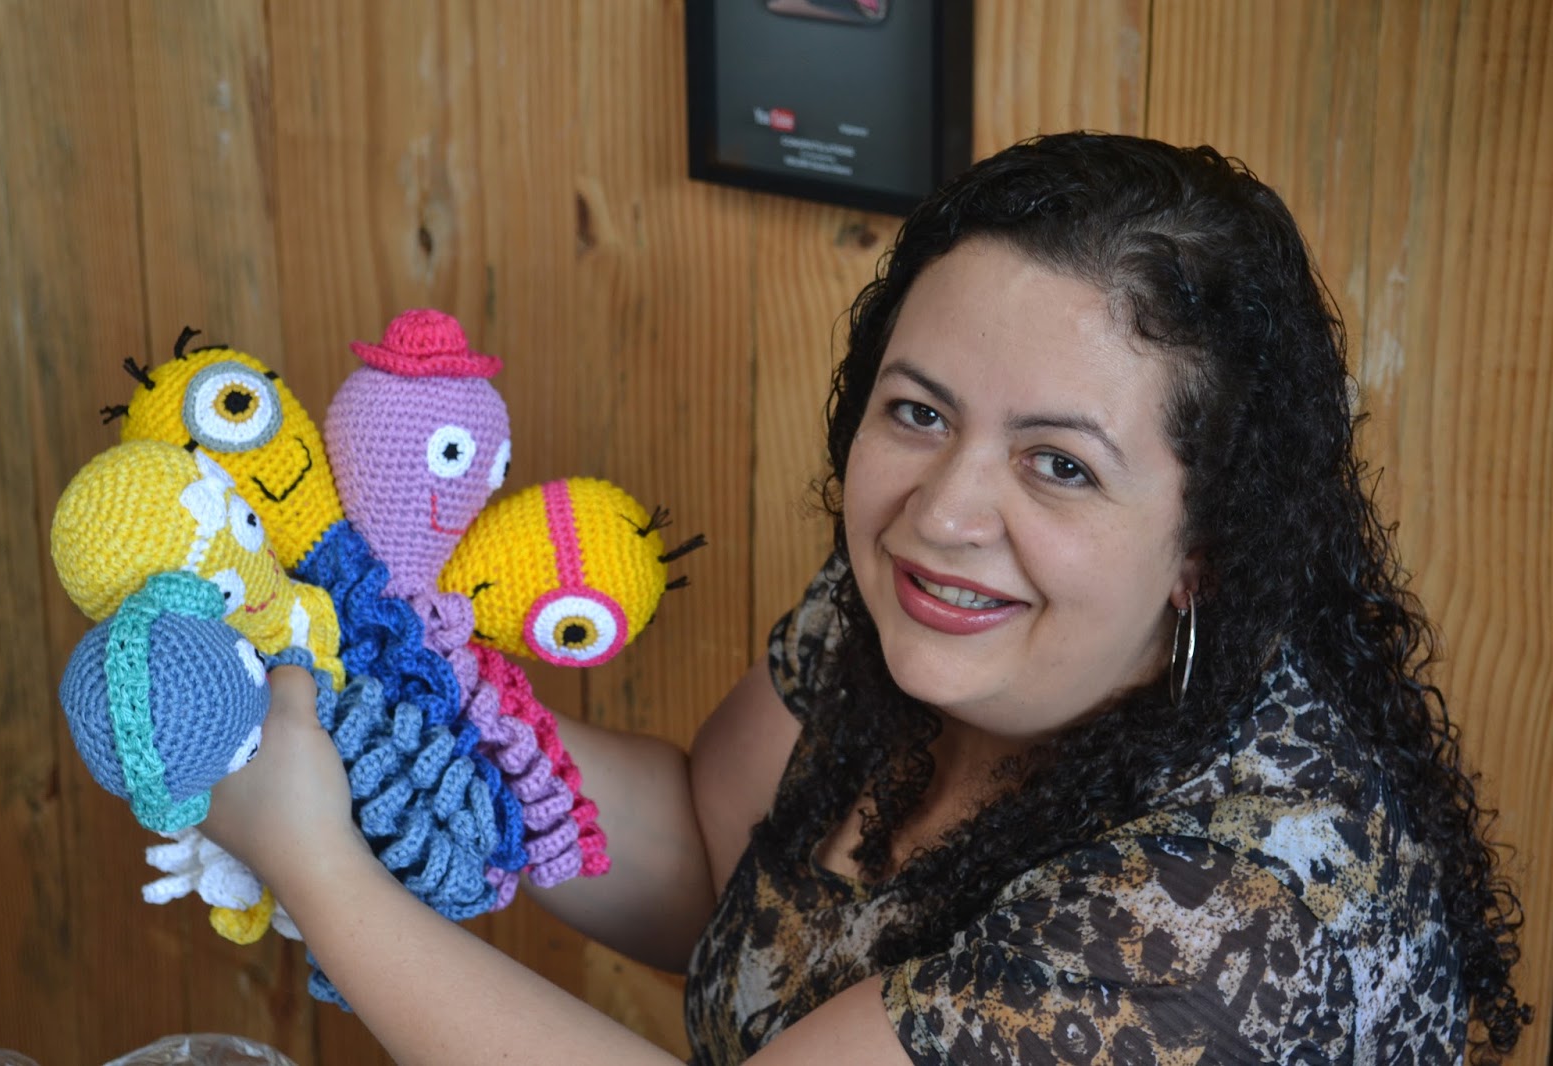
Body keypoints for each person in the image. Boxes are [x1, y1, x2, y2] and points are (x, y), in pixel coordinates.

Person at [203, 132, 1532, 1064]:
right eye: (920, 412)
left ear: (1207, 552)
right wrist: (391, 687)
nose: (942, 511)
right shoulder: (924, 593)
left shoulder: (1232, 924)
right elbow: (712, 854)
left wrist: (320, 867)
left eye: (1061, 464)